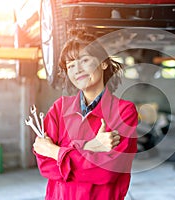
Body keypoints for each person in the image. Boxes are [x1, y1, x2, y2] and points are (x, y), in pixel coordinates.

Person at [32, 34, 138, 200]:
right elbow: (45, 165)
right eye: (71, 65)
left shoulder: (124, 112)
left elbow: (106, 172)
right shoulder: (59, 109)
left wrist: (55, 151)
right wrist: (91, 146)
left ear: (103, 62)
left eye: (84, 60)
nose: (77, 69)